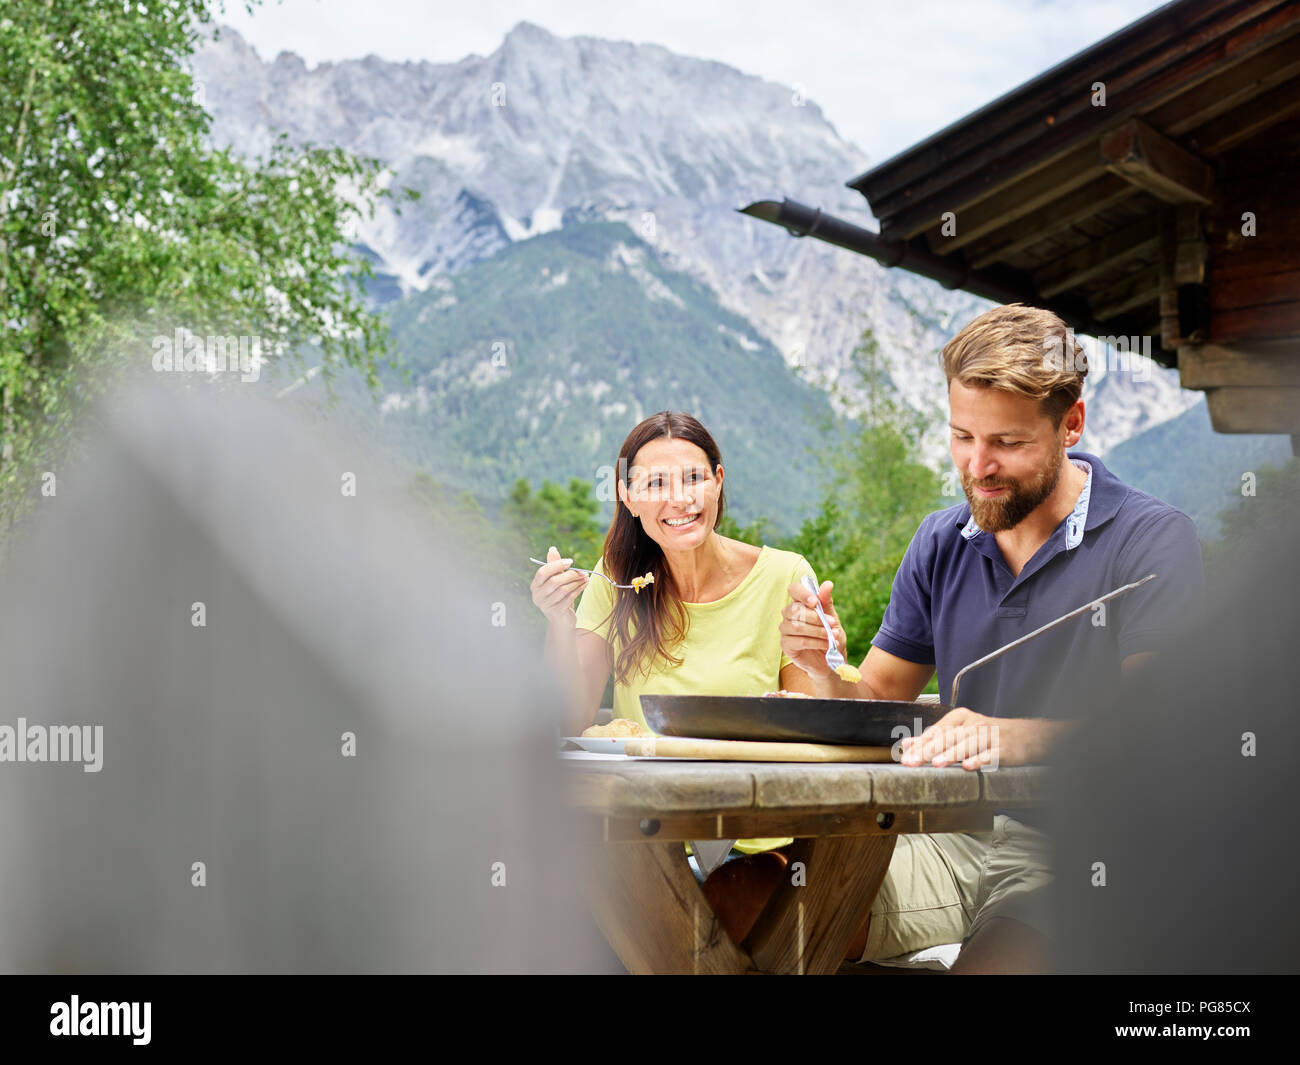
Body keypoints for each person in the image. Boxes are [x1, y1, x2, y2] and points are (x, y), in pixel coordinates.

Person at [779, 303, 1205, 973]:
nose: (978, 465)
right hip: (946, 836)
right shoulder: (939, 541)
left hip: (1079, 845)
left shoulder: (1152, 540)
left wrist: (1006, 735)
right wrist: (823, 663)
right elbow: (876, 696)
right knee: (752, 907)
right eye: (961, 436)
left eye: (1006, 442)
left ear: (1072, 424)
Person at [530, 411, 816, 911]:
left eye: (694, 478)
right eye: (656, 483)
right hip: (638, 839)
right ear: (628, 497)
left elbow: (813, 730)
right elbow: (570, 718)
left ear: (718, 482)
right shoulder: (615, 578)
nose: (680, 498)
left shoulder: (785, 577)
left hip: (751, 845)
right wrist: (558, 620)